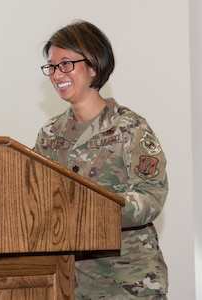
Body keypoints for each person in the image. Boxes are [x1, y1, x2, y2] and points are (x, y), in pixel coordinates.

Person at [34, 20, 168, 299]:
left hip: (129, 281)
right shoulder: (49, 134)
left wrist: (91, 213)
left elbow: (150, 195)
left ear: (94, 65)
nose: (58, 74)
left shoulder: (129, 126)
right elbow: (36, 195)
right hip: (69, 280)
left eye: (67, 64)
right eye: (53, 66)